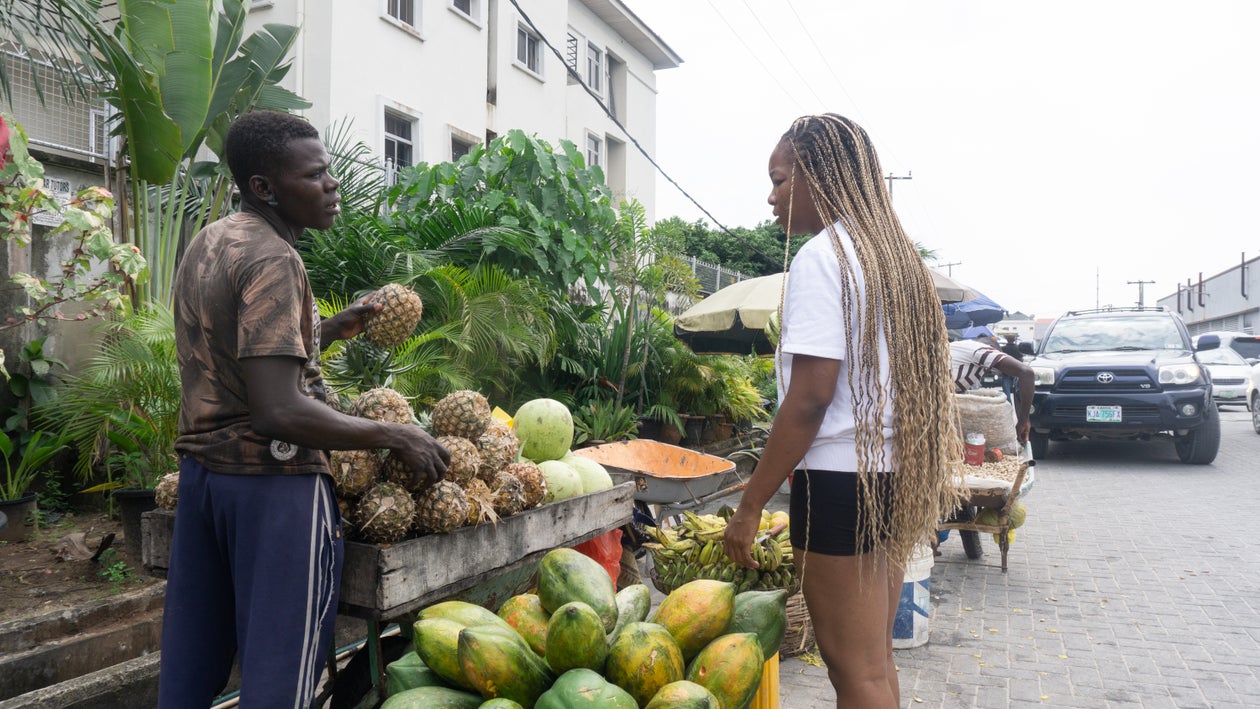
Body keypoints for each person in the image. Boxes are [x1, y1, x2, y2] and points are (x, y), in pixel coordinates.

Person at [158, 111, 450, 708]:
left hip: (205, 482)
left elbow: (230, 350)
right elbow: (277, 410)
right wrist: (397, 434)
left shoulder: (213, 240)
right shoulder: (276, 259)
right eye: (315, 175)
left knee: (189, 669)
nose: (332, 184)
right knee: (281, 681)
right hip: (274, 486)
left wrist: (329, 329)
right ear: (264, 187)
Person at [722, 114, 963, 709]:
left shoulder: (822, 257)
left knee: (855, 671)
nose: (772, 197)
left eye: (779, 180)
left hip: (837, 484)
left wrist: (750, 506)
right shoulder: (894, 259)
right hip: (890, 478)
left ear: (816, 174)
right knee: (875, 665)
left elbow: (810, 399)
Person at [950, 325, 1035, 445]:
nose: (986, 371)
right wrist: (1024, 421)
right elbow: (1027, 372)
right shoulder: (981, 349)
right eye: (989, 368)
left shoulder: (956, 347)